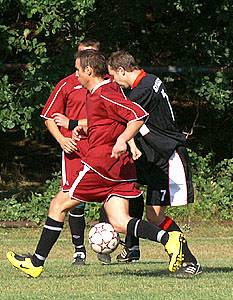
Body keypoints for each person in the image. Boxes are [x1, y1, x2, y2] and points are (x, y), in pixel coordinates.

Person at [6, 49, 186, 278]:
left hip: (101, 166)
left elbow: (137, 115)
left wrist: (122, 140)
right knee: (120, 222)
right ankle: (169, 239)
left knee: (58, 205)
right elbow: (109, 120)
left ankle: (36, 262)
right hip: (119, 169)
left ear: (88, 70)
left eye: (78, 69)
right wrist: (85, 128)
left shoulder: (103, 93)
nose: (76, 74)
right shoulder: (104, 91)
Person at [107, 50, 202, 277]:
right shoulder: (149, 81)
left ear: (122, 70)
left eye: (113, 76)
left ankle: (189, 260)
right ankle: (133, 244)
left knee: (155, 216)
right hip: (154, 158)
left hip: (166, 157)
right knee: (146, 210)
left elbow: (116, 113)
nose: (114, 82)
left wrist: (77, 122)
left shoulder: (144, 89)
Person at [40, 38, 100, 265]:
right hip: (75, 149)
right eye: (83, 54)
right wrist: (62, 140)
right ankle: (79, 249)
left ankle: (123, 246)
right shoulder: (67, 84)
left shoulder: (108, 86)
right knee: (73, 200)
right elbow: (48, 117)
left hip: (102, 148)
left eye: (92, 54)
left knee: (113, 198)